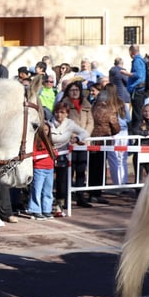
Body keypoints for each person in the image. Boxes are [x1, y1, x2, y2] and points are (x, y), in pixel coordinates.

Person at [50, 100, 89, 216]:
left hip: (63, 155)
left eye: (62, 112)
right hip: (48, 155)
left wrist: (76, 139)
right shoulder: (49, 123)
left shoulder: (70, 123)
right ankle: (44, 204)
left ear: (67, 113)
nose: (59, 115)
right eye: (57, 112)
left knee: (61, 182)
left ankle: (59, 206)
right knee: (47, 182)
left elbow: (84, 133)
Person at [60, 79, 94, 207]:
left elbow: (90, 122)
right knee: (69, 170)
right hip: (70, 143)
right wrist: (74, 137)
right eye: (72, 90)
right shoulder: (64, 104)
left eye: (77, 90)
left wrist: (84, 136)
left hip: (83, 142)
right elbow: (63, 122)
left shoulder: (86, 105)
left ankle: (80, 196)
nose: (75, 93)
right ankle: (66, 197)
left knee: (81, 170)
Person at [25, 123, 56, 220]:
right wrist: (44, 155)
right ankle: (35, 210)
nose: (45, 132)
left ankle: (47, 210)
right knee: (37, 190)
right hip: (39, 169)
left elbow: (54, 155)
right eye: (43, 130)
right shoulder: (35, 142)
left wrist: (54, 153)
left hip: (50, 169)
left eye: (47, 130)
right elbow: (33, 156)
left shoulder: (50, 141)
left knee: (48, 191)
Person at [125, 44, 147, 128]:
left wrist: (127, 73)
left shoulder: (137, 61)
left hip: (137, 91)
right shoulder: (140, 60)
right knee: (136, 113)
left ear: (131, 52)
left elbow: (138, 75)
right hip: (138, 90)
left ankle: (137, 133)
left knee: (137, 114)